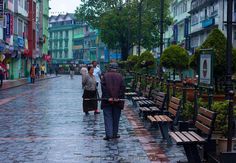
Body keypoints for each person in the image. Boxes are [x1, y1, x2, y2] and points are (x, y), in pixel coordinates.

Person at [101, 62, 125, 141]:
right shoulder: (120, 76)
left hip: (107, 101)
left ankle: (109, 134)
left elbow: (103, 88)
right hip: (118, 101)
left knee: (108, 117)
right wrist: (117, 97)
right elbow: (122, 88)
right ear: (116, 68)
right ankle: (114, 134)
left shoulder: (105, 75)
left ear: (109, 68)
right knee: (116, 118)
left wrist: (108, 98)